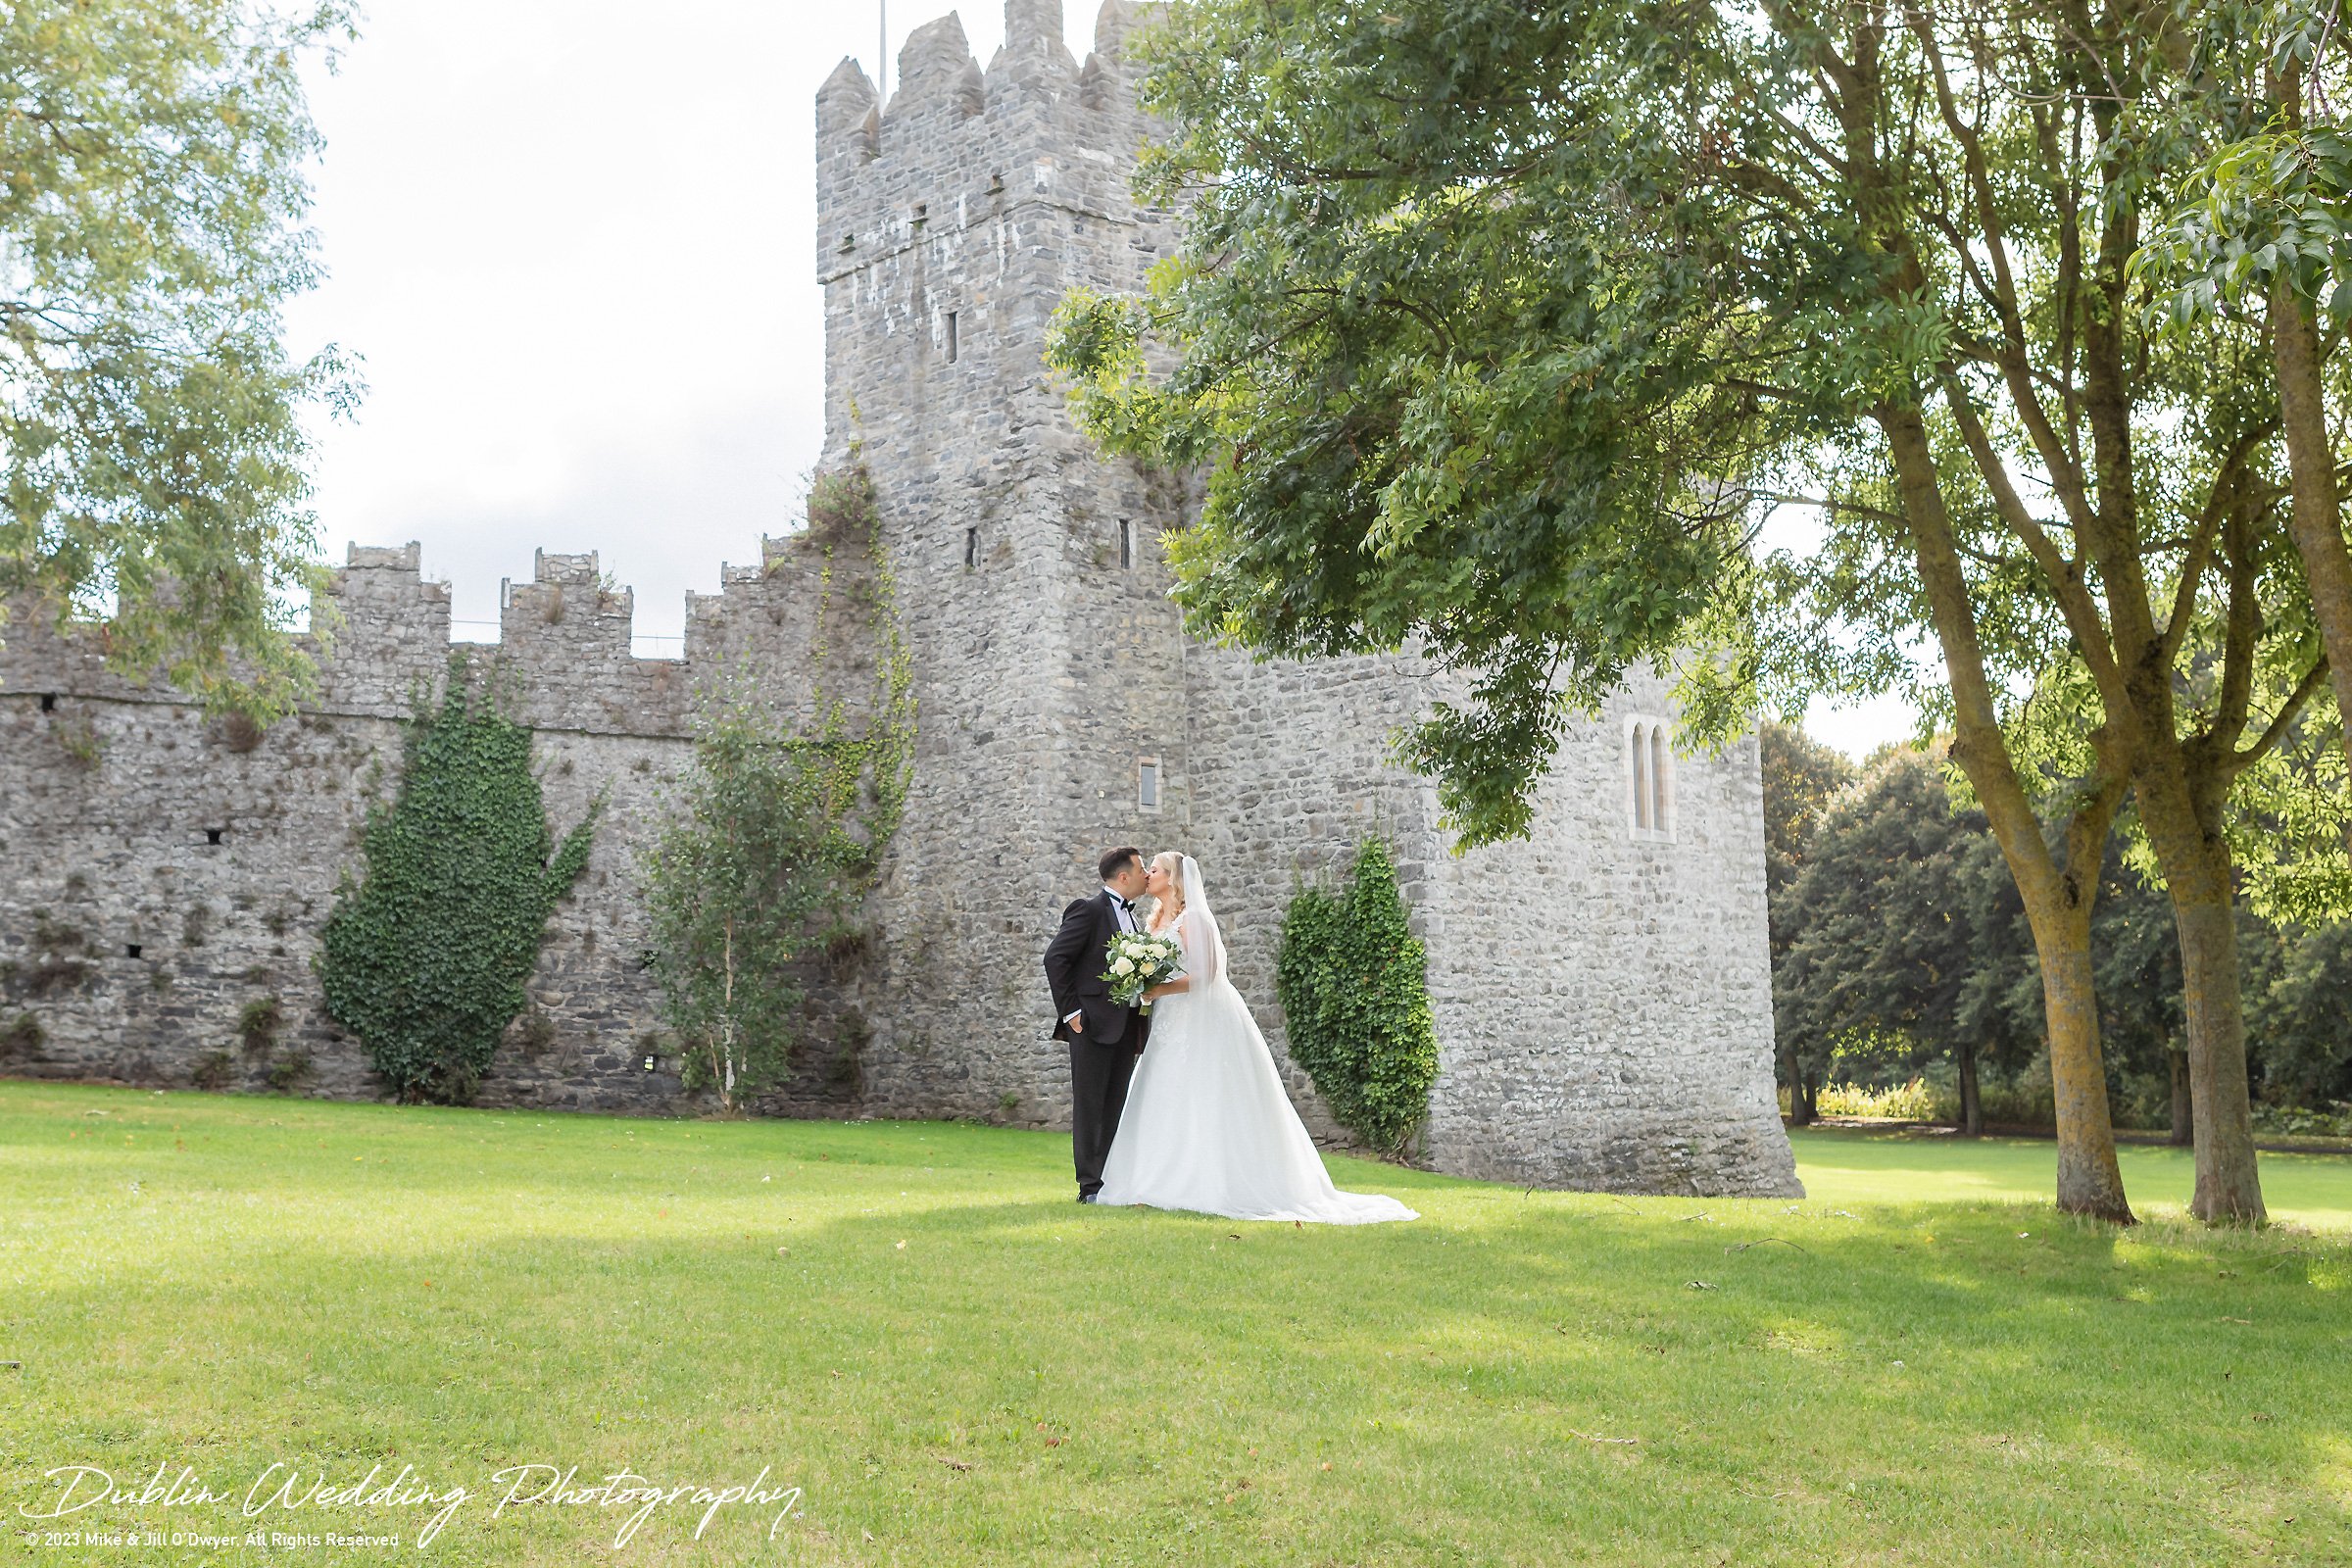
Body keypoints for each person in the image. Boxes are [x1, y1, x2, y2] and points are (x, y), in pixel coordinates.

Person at [1094, 851, 1418, 1224]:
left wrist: (1158, 990)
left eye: (1154, 869)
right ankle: (1153, 1178)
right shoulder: (1153, 922)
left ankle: (1210, 1180)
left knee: (1204, 1092)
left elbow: (1205, 976)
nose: (1147, 874)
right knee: (1161, 1089)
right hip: (1169, 1024)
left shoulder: (1193, 918)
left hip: (1199, 1019)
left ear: (1173, 878)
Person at [1041, 846, 1152, 1202]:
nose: (1146, 874)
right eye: (1141, 868)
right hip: (1090, 1026)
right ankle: (1089, 1187)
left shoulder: (1133, 918)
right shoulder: (1087, 910)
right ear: (1124, 876)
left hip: (1126, 1026)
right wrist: (1072, 1014)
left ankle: (1108, 1183)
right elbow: (1055, 958)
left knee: (1114, 1105)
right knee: (1090, 1107)